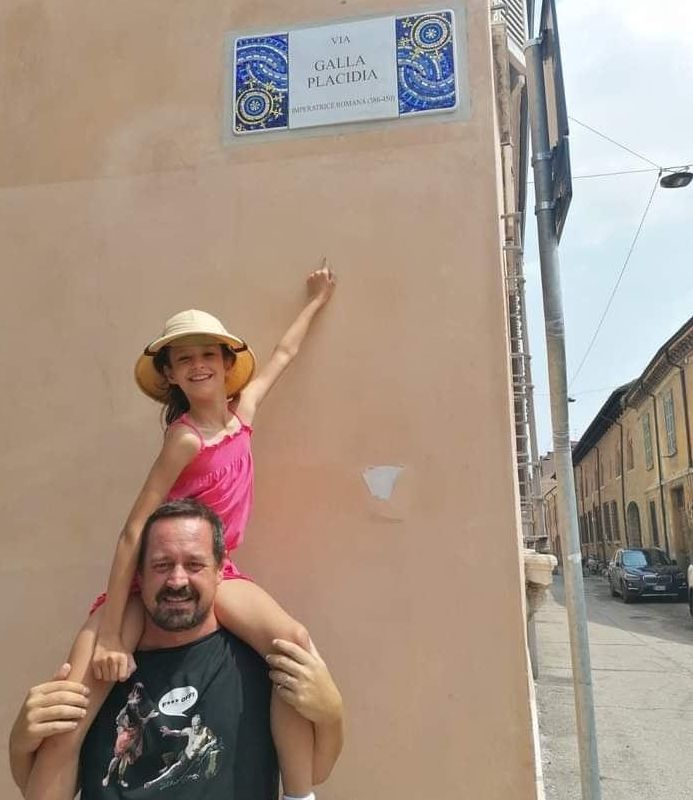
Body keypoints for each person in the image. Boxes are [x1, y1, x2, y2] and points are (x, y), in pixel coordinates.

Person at [21, 263, 337, 800]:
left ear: (226, 363)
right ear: (169, 374)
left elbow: (283, 355)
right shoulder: (185, 440)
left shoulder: (245, 414)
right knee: (68, 711)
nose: (197, 365)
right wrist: (117, 629)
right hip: (157, 573)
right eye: (183, 358)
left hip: (215, 569)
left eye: (207, 354)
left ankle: (300, 795)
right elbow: (133, 532)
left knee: (294, 647)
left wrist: (315, 300)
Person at [10, 499, 344, 799]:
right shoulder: (105, 663)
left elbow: (312, 771)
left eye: (194, 565)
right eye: (162, 565)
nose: (177, 580)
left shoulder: (258, 662)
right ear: (139, 574)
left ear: (221, 570)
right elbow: (45, 784)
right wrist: (19, 745)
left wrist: (331, 714)